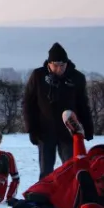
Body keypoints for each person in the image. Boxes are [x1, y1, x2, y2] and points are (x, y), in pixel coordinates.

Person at [7, 110, 104, 208]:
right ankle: (77, 136)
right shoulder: (93, 165)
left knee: (80, 170)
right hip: (73, 199)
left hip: (76, 200)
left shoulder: (94, 165)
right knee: (79, 169)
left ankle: (78, 136)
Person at [23, 42, 93, 180]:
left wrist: (88, 128)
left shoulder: (77, 78)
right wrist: (31, 129)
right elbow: (28, 103)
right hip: (44, 130)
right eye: (55, 65)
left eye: (62, 65)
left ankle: (69, 197)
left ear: (67, 63)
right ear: (49, 64)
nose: (59, 69)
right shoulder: (38, 76)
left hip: (68, 131)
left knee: (70, 168)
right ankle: (43, 197)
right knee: (46, 170)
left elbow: (83, 104)